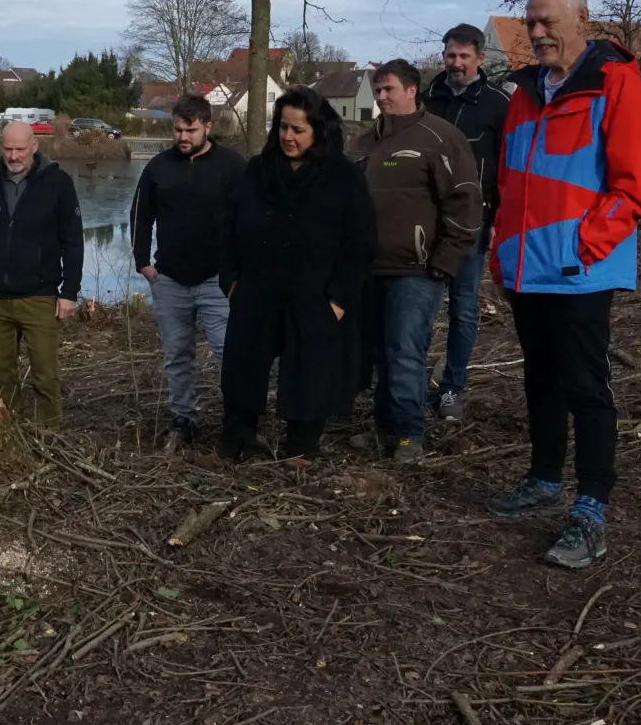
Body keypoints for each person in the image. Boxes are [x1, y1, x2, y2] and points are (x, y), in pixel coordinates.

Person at [486, 0, 641, 569]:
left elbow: (638, 187)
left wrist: (586, 245)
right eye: (531, 23)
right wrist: (499, 248)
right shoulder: (526, 92)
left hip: (581, 269)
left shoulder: (613, 81)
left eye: (547, 22)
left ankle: (591, 507)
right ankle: (542, 476)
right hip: (525, 269)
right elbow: (510, 183)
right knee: (540, 377)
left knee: (586, 384)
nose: (536, 33)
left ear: (581, 22)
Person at [217, 87, 377, 465]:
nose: (288, 137)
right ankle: (236, 440)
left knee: (309, 368)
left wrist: (339, 298)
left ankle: (300, 448)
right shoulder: (258, 169)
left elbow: (360, 243)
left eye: (298, 130)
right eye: (283, 128)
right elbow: (228, 225)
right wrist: (231, 279)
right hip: (257, 285)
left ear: (318, 132)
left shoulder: (343, 177)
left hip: (315, 290)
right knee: (243, 365)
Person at [353, 60, 481, 465]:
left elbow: (465, 199)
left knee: (405, 350)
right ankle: (384, 427)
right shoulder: (363, 143)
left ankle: (409, 434)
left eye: (389, 88)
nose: (381, 96)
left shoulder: (439, 138)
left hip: (417, 268)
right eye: (377, 90)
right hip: (369, 266)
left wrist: (446, 259)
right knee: (378, 352)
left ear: (412, 90)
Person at [130, 94, 246, 445]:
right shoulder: (159, 167)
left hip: (218, 279)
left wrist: (241, 271)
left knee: (231, 353)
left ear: (208, 126)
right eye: (178, 129)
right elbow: (139, 215)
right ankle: (184, 419)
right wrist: (143, 263)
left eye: (191, 130)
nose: (183, 137)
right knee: (177, 355)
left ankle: (238, 420)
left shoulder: (231, 166)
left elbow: (250, 219)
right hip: (170, 279)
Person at [0, 121, 83, 426]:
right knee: (1, 375)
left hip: (39, 296)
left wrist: (69, 292)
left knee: (45, 374)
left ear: (34, 147)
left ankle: (49, 436)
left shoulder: (59, 184)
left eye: (20, 149)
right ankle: (10, 433)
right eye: (7, 149)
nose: (13, 156)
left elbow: (73, 241)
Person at [421, 23, 515, 422]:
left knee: (463, 310)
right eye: (450, 55)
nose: (455, 63)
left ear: (480, 58)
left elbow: (506, 167)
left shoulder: (498, 105)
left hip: (472, 225)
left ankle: (452, 389)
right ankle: (411, 385)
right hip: (424, 225)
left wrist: (496, 218)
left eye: (463, 56)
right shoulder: (426, 100)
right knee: (420, 309)